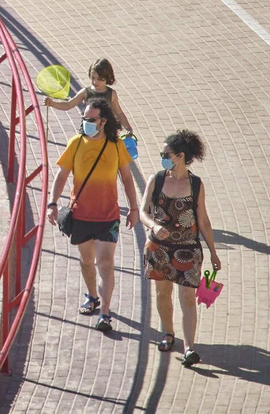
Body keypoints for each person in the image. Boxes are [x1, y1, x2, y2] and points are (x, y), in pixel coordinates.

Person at [48, 102, 139, 335]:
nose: (86, 123)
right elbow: (61, 175)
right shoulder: (76, 144)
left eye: (91, 119)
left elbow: (128, 179)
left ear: (103, 121)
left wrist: (134, 208)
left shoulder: (116, 145)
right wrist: (52, 203)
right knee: (87, 261)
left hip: (108, 217)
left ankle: (105, 313)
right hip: (80, 215)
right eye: (84, 119)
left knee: (105, 263)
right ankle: (92, 296)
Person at [142, 130, 220, 367]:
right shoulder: (157, 180)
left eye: (166, 154)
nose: (162, 157)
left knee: (187, 297)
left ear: (180, 156)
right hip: (160, 249)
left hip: (188, 250)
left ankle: (189, 348)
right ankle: (167, 333)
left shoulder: (195, 184)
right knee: (162, 294)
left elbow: (203, 221)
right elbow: (143, 210)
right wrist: (154, 226)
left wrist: (214, 253)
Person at [43, 57, 136, 138]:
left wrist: (128, 127)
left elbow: (119, 113)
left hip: (106, 132)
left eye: (99, 79)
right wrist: (52, 103)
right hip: (87, 132)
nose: (95, 82)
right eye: (93, 78)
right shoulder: (86, 92)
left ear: (107, 78)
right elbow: (69, 104)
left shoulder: (111, 94)